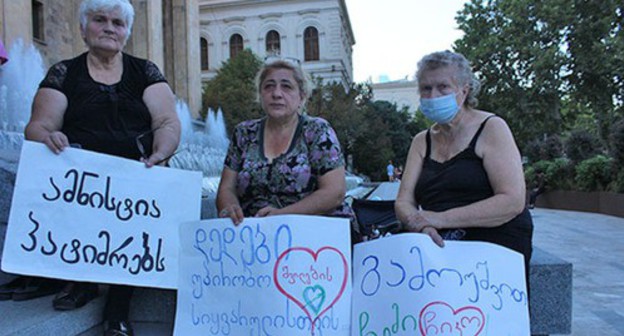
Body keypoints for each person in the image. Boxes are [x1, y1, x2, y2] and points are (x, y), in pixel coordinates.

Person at [20, 0, 179, 334]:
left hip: (135, 172)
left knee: (135, 207)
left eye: (118, 23)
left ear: (126, 32)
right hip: (80, 178)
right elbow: (38, 127)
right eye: (100, 20)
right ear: (83, 28)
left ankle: (117, 307)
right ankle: (81, 281)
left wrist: (161, 153)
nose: (109, 28)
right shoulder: (64, 72)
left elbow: (166, 121)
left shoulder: (145, 71)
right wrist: (51, 137)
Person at [395, 50, 533, 283]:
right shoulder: (421, 141)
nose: (433, 95)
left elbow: (512, 200)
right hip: (437, 248)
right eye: (426, 89)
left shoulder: (492, 128)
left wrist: (439, 219)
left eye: (443, 87)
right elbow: (404, 201)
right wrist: (420, 226)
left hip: (494, 249)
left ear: (464, 90)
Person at [216, 57, 353, 227]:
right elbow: (226, 188)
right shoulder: (244, 133)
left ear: (302, 96)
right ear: (260, 94)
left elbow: (335, 192)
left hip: (315, 235)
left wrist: (282, 215)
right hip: (255, 234)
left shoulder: (317, 131)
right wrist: (230, 208)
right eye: (269, 86)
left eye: (286, 86)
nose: (277, 94)